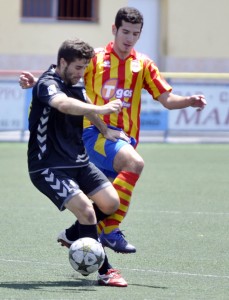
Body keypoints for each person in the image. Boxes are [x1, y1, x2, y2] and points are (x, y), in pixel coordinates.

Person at [19, 7, 207, 255]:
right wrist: (37, 83)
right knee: (134, 163)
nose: (129, 38)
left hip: (124, 139)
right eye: (125, 32)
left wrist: (188, 101)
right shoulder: (96, 58)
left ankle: (75, 233)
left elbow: (167, 99)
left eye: (135, 34)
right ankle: (110, 232)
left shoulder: (144, 64)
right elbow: (66, 76)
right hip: (94, 132)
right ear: (114, 30)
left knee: (104, 203)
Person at [25, 37, 128, 287]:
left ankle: (73, 235)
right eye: (78, 67)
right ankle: (105, 271)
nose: (82, 72)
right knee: (86, 209)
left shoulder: (74, 80)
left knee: (112, 202)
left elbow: (86, 107)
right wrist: (104, 110)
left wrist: (104, 130)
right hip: (47, 165)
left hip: (78, 162)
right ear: (63, 62)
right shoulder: (47, 83)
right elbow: (64, 105)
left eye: (84, 67)